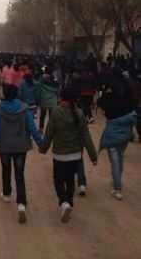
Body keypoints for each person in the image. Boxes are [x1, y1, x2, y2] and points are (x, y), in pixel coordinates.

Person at [39, 88, 97, 223]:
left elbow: (49, 133)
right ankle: (69, 203)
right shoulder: (80, 113)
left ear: (61, 98)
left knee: (58, 180)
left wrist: (43, 148)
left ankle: (64, 202)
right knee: (70, 180)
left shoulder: (56, 113)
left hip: (60, 155)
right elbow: (86, 137)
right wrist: (93, 156)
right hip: (75, 155)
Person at [0, 83, 42, 224]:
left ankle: (6, 194)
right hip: (20, 146)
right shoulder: (24, 108)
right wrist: (41, 142)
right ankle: (21, 204)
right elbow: (31, 127)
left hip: (4, 147)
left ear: (4, 94)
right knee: (19, 174)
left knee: (6, 169)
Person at [97, 68, 136, 200]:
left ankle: (117, 188)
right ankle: (117, 180)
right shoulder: (129, 89)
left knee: (114, 159)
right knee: (120, 156)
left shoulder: (110, 90)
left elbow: (100, 103)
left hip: (113, 126)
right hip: (126, 128)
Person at [38, 68, 59, 133]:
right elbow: (57, 90)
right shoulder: (54, 79)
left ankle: (41, 128)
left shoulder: (41, 80)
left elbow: (39, 90)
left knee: (42, 115)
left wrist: (38, 99)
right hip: (52, 101)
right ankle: (51, 129)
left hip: (44, 100)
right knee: (51, 117)